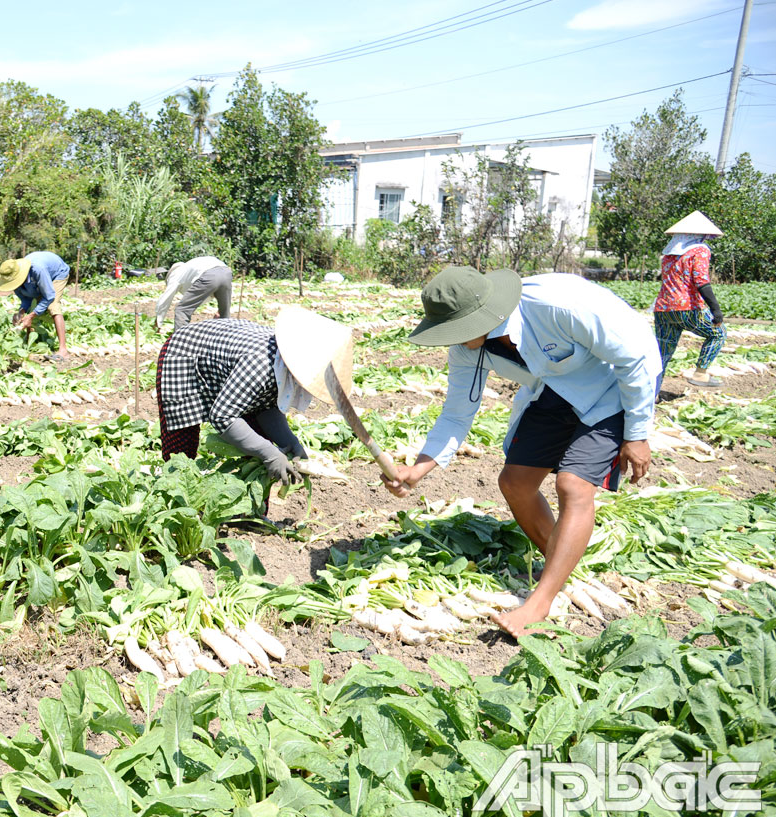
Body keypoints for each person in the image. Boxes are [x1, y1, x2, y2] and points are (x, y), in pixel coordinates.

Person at [380, 267, 661, 638]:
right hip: (557, 387)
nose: (454, 339)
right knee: (514, 482)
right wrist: (419, 469)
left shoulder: (556, 306)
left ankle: (539, 601)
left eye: (457, 329)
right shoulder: (468, 347)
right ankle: (560, 567)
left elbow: (635, 357)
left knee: (573, 485)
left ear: (483, 315)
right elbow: (456, 413)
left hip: (618, 383)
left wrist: (637, 433)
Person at [155, 313, 325, 486]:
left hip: (226, 361)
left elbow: (265, 405)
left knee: (256, 447)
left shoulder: (282, 365)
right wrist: (270, 453)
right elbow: (222, 417)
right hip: (185, 355)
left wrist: (289, 442)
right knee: (182, 450)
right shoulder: (260, 364)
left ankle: (250, 511)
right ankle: (175, 496)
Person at [655, 211, 726, 389]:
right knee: (718, 333)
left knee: (662, 354)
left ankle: (651, 393)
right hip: (687, 308)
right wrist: (716, 310)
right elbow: (701, 281)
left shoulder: (669, 254)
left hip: (663, 309)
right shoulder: (700, 250)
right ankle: (700, 374)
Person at [0, 251, 70, 361]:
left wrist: (31, 316)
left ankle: (63, 350)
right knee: (32, 308)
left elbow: (49, 296)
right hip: (40, 276)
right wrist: (21, 312)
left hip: (58, 273)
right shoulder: (14, 280)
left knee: (52, 306)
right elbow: (26, 299)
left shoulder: (38, 269)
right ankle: (30, 342)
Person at [155, 256, 234, 331]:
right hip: (226, 272)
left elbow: (165, 299)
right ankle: (224, 340)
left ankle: (181, 340)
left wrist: (158, 322)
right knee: (224, 315)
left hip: (208, 275)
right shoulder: (190, 266)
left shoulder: (176, 274)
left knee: (182, 310)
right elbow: (219, 282)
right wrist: (220, 310)